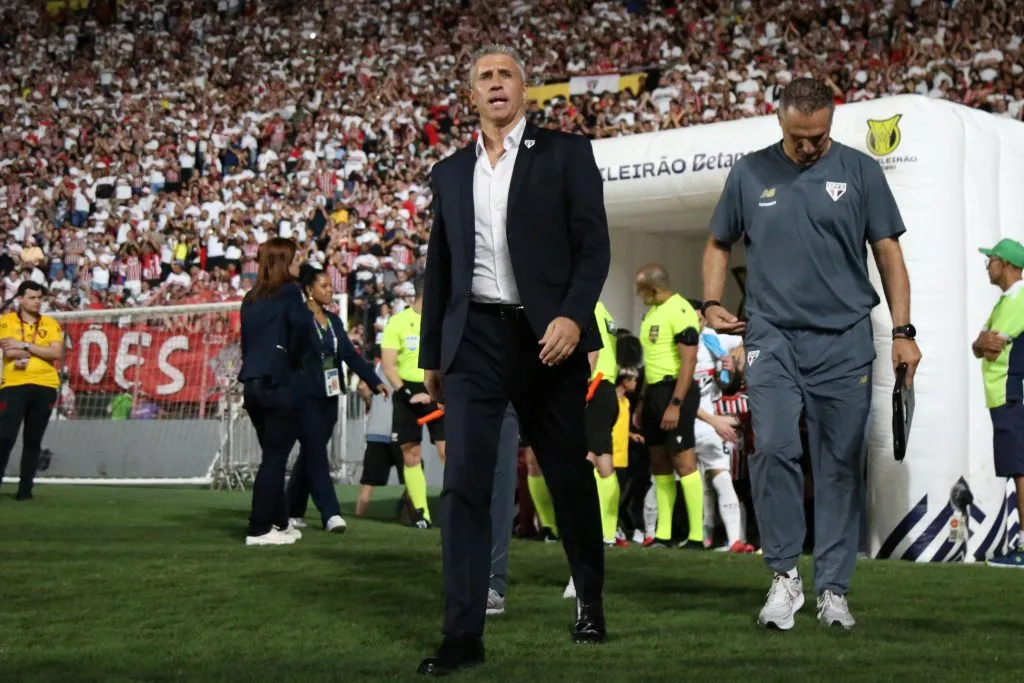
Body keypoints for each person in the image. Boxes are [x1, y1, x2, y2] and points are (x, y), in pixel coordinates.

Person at [416, 44, 611, 676]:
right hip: (473, 339)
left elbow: (594, 249)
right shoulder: (448, 173)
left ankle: (590, 600)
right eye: (484, 78)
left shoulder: (566, 154)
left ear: (524, 90)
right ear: (470, 95)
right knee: (465, 486)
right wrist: (430, 357)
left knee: (569, 479)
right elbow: (438, 269)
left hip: (549, 340)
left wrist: (572, 317)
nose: (496, 85)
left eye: (506, 75)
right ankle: (462, 635)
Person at [701, 77, 922, 630]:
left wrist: (903, 330)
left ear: (831, 121)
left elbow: (889, 253)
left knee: (839, 466)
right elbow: (717, 242)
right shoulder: (749, 172)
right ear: (779, 121)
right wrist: (709, 301)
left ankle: (834, 589)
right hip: (771, 336)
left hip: (845, 339)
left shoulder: (860, 170)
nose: (807, 146)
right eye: (798, 136)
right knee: (772, 449)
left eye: (818, 136)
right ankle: (783, 577)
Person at [287, 264, 385, 533]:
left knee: (310, 454)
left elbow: (350, 357)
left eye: (331, 286)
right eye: (324, 286)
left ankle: (291, 511)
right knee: (317, 453)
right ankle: (330, 513)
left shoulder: (335, 322)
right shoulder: (298, 318)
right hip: (304, 396)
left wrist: (375, 382)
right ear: (309, 289)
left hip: (330, 396)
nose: (330, 290)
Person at [237, 237, 312, 547]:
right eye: (296, 260)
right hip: (276, 382)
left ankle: (279, 522)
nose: (300, 265)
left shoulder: (250, 298)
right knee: (276, 457)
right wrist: (293, 360)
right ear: (284, 262)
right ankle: (259, 528)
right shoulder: (291, 293)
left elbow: (247, 343)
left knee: (272, 454)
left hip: (252, 384)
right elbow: (303, 327)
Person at [633, 264, 704, 549]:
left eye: (640, 291)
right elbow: (649, 362)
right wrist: (641, 402)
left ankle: (697, 535)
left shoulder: (680, 310)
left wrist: (676, 403)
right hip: (653, 393)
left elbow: (689, 361)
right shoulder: (652, 313)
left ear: (652, 289)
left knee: (683, 462)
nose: (639, 296)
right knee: (659, 463)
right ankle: (663, 533)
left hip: (675, 391)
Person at [972, 238, 1024, 568]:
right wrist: (981, 341)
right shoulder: (1003, 302)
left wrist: (982, 341)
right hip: (1004, 397)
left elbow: (990, 345)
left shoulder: (1019, 298)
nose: (987, 266)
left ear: (1004, 264)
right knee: (1016, 469)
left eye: (990, 260)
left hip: (1012, 394)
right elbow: (980, 343)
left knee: (1021, 470)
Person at [688, 298, 754, 554]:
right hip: (688, 420)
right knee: (690, 483)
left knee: (721, 479)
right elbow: (675, 393)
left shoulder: (713, 340)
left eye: (699, 319)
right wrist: (715, 419)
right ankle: (691, 537)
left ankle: (734, 541)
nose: (695, 323)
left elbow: (742, 345)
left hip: (708, 423)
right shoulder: (675, 343)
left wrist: (731, 369)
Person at [381, 277, 446, 530]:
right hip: (408, 391)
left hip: (437, 388)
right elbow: (388, 366)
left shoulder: (440, 322)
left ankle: (456, 509)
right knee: (411, 453)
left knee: (448, 451)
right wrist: (408, 393)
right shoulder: (397, 322)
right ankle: (422, 514)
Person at [0, 282, 64, 501]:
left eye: (39, 298)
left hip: (45, 385)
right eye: (32, 297)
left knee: (33, 440)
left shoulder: (51, 323)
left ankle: (25, 490)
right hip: (14, 384)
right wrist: (37, 350)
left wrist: (25, 346)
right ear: (20, 299)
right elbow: (9, 349)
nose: (37, 302)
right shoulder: (6, 321)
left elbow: (56, 353)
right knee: (5, 436)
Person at [354, 364, 409, 520]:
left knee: (368, 482)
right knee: (413, 478)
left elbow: (363, 387)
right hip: (400, 431)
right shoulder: (408, 364)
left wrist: (371, 404)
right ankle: (409, 517)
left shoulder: (379, 366)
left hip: (376, 431)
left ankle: (358, 518)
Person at [485, 405, 523, 617]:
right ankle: (470, 583)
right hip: (468, 388)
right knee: (463, 492)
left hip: (507, 392)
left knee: (500, 487)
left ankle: (493, 584)